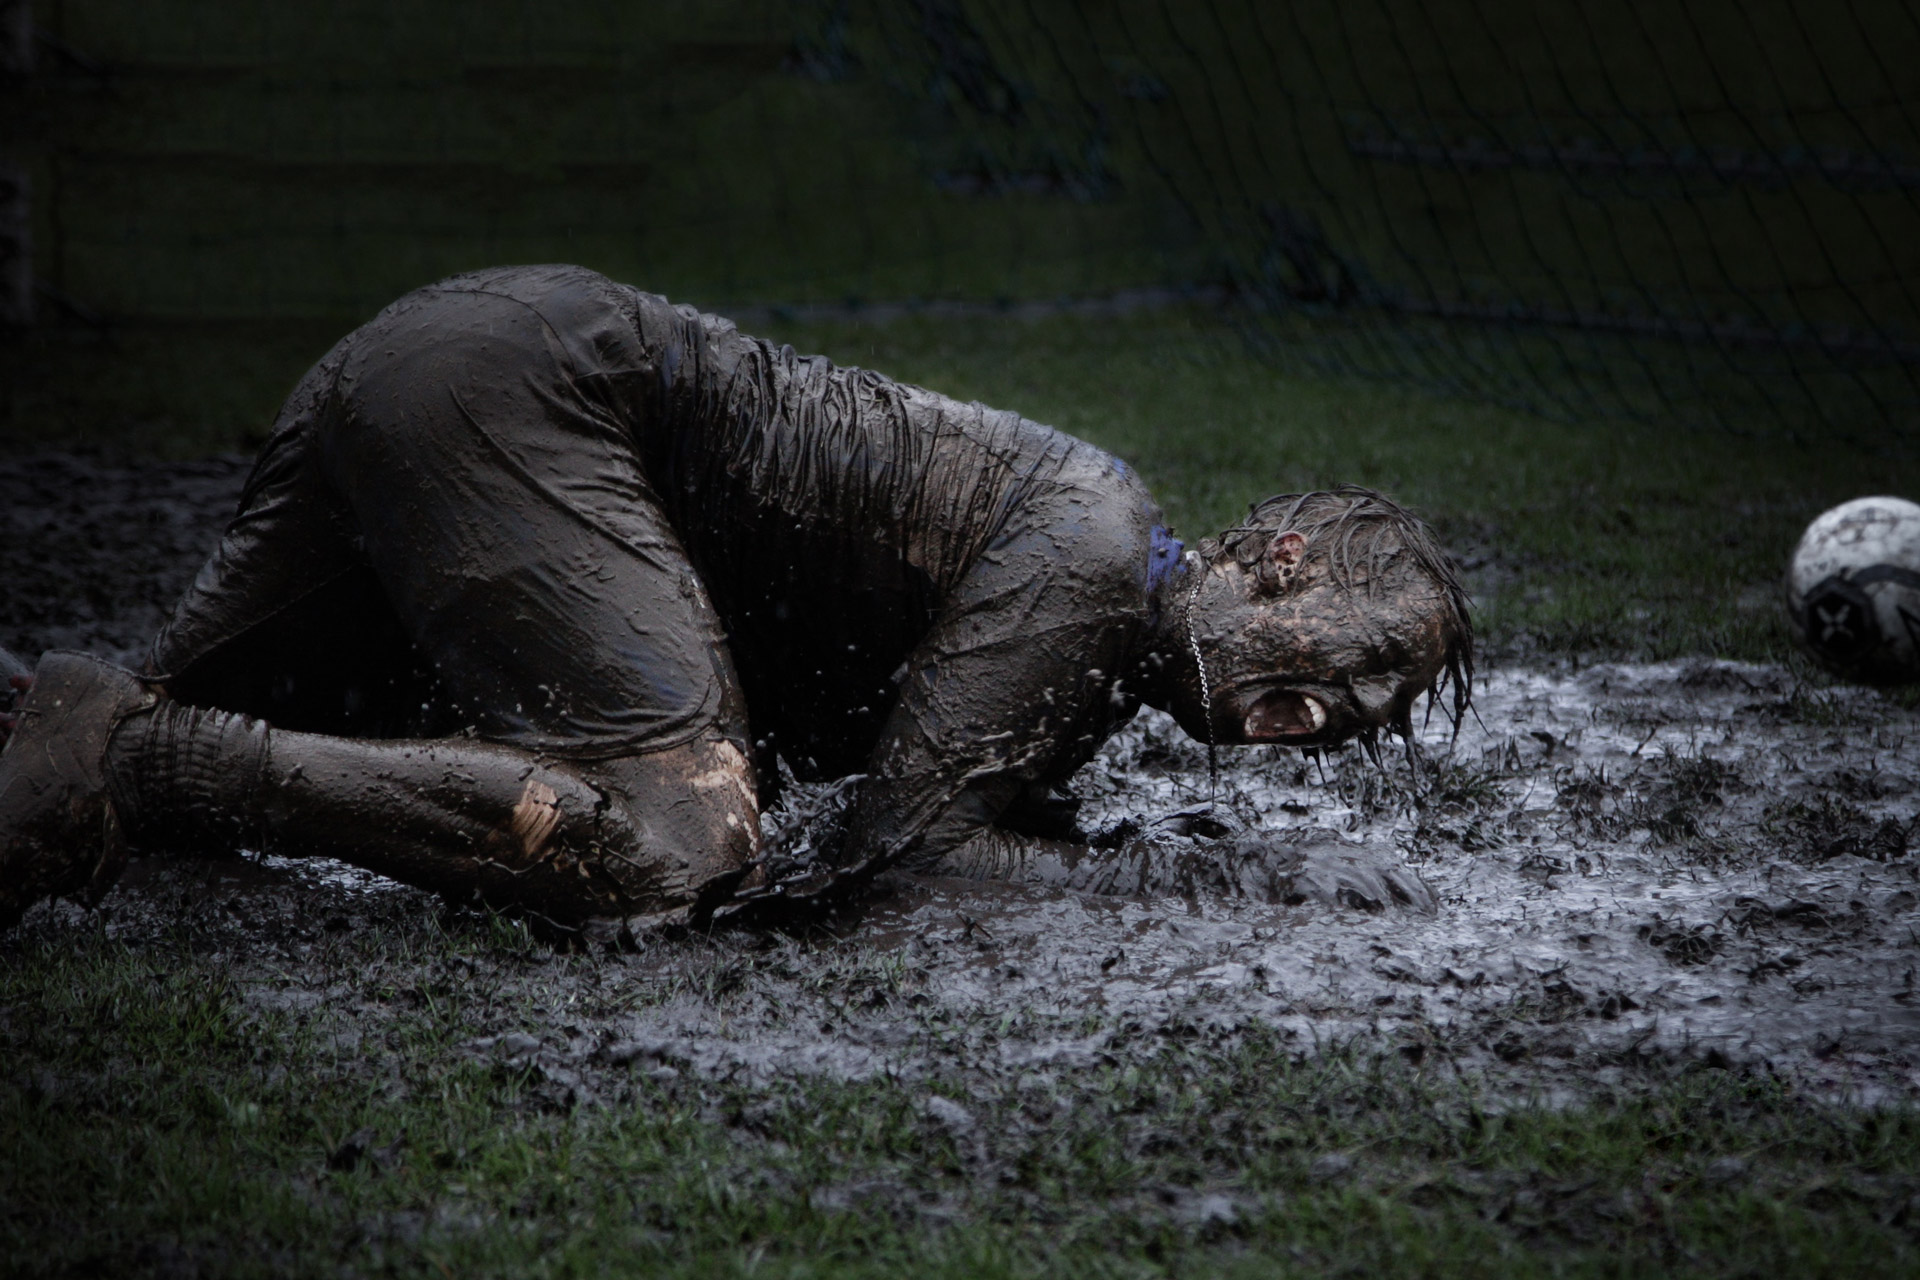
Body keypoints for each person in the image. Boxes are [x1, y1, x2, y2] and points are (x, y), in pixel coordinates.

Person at [0, 265, 1471, 933]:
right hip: (524, 394)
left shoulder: (1099, 611)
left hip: (456, 364)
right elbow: (897, 873)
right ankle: (145, 757)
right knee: (680, 845)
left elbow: (932, 816)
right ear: (1281, 567)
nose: (1338, 717)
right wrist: (1207, 880)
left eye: (1374, 714)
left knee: (62, 750)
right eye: (1358, 664)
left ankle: (103, 730)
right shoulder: (1097, 552)